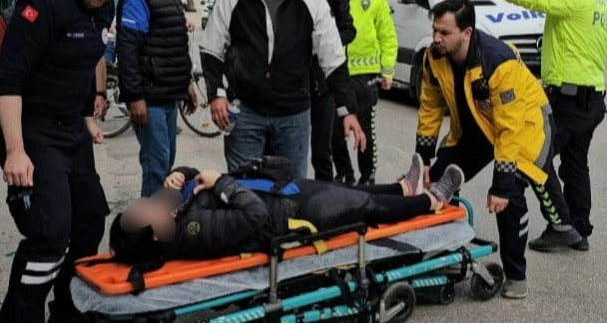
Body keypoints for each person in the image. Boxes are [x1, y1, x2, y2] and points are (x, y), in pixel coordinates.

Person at [415, 0, 582, 300]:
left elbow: (509, 130)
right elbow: (430, 109)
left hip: (525, 129)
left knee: (510, 197)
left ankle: (517, 276)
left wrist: (501, 186)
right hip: (481, 128)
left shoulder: (498, 61)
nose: (436, 38)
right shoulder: (434, 56)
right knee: (437, 181)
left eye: (444, 32)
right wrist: (424, 159)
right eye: (434, 30)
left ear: (467, 33)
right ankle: (443, 255)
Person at [0, 0, 128, 324]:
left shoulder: (104, 6)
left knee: (90, 221)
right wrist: (14, 150)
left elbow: (82, 64)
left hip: (72, 128)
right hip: (34, 130)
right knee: (51, 233)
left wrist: (88, 115)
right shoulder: (43, 3)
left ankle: (69, 312)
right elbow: (8, 80)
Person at [452, 0, 607, 252]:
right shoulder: (598, 1)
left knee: (533, 157)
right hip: (591, 99)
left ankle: (561, 227)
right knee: (575, 166)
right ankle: (579, 229)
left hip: (569, 100)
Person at [201, 0, 365, 179]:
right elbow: (211, 49)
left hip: (293, 115)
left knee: (290, 191)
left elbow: (333, 59)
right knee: (242, 190)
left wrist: (348, 110)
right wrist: (216, 95)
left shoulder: (312, 1)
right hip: (245, 113)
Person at [109, 153, 464, 263]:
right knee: (367, 207)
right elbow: (254, 216)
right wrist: (221, 183)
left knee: (346, 190)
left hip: (280, 195)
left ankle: (403, 188)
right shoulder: (194, 231)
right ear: (154, 235)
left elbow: (194, 184)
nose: (144, 202)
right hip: (292, 217)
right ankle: (432, 200)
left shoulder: (174, 211)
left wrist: (182, 173)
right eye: (140, 212)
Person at [115, 0, 197, 198]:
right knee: (157, 168)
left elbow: (174, 46)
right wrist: (135, 97)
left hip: (167, 95)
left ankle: (159, 215)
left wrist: (185, 85)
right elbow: (127, 49)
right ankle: (149, 221)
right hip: (149, 99)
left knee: (166, 162)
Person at [292, 0, 356, 182]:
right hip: (291, 84)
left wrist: (324, 43)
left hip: (323, 83)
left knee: (322, 150)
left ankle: (325, 195)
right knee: (289, 150)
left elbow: (349, 29)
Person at [332, 0, 398, 185]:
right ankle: (344, 174)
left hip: (365, 75)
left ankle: (367, 176)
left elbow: (387, 36)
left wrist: (388, 70)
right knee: (334, 130)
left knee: (364, 128)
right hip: (337, 74)